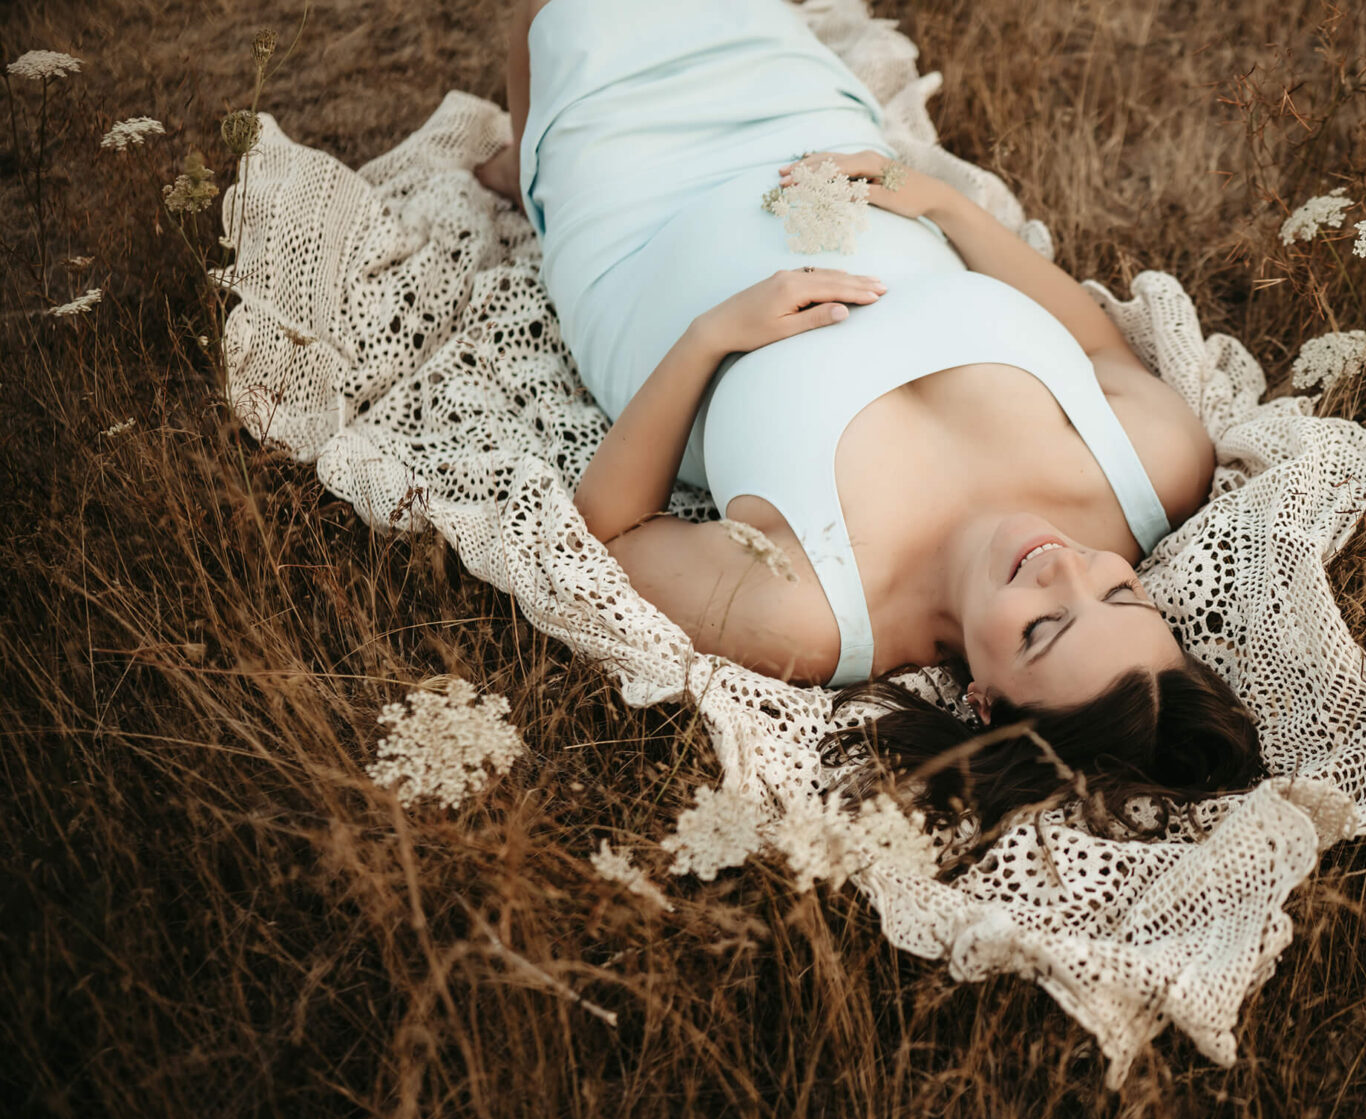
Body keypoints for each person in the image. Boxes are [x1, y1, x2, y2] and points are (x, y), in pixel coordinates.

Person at [478, 0, 1264, 831]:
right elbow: (1099, 345)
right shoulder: (1151, 465)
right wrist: (940, 206)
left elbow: (610, 539)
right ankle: (533, 160)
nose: (1065, 568)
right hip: (803, 134)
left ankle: (540, 179)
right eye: (1121, 593)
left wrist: (711, 338)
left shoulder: (817, 615)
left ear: (985, 703)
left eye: (1043, 628)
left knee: (563, 17)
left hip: (636, 219)